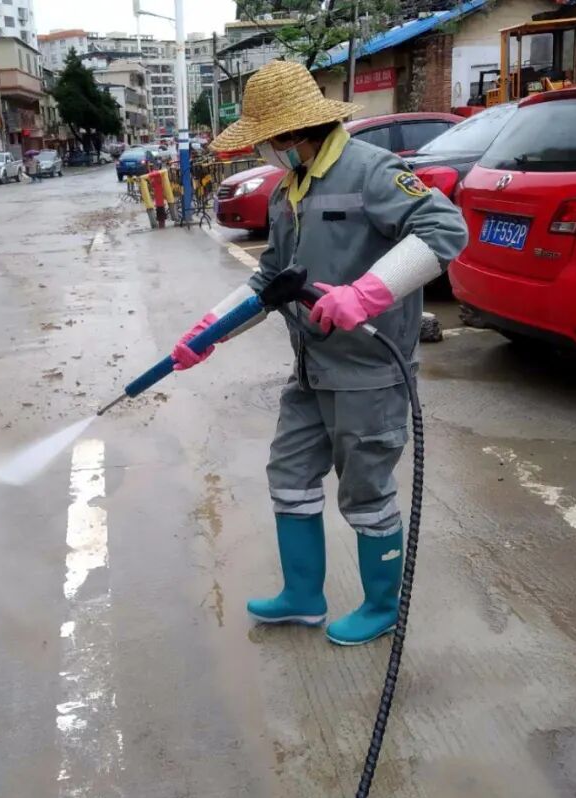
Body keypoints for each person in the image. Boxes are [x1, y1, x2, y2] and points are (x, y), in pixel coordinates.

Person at [174, 60, 468, 647]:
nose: (262, 150)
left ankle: (382, 607)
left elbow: (444, 230)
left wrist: (366, 294)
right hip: (311, 368)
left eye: (265, 139)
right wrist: (211, 330)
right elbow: (271, 279)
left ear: (290, 132)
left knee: (366, 494)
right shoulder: (290, 188)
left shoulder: (372, 171)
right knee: (289, 474)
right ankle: (303, 596)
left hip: (370, 375)